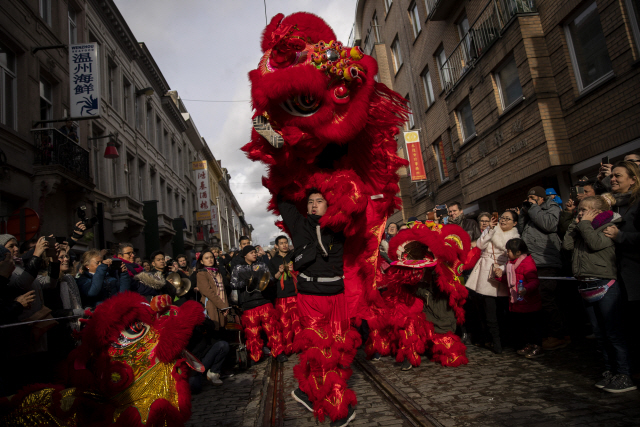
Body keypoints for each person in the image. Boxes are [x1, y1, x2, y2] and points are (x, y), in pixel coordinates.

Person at [280, 189, 360, 425]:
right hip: (310, 298)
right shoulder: (298, 224)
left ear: (329, 205)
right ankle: (338, 409)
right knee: (322, 349)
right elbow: (282, 194)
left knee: (338, 351)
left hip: (337, 297)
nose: (314, 205)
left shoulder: (339, 226)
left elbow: (358, 208)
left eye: (320, 201)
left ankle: (306, 391)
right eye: (310, 202)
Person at [562, 195, 635, 392]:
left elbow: (595, 243)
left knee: (614, 333)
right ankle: (610, 371)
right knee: (600, 334)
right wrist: (574, 225)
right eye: (579, 210)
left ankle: (624, 374)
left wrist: (584, 225)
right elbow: (567, 245)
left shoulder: (609, 226)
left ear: (598, 212)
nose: (580, 213)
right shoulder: (582, 227)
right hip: (586, 284)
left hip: (605, 283)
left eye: (585, 210)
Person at [517, 186, 567, 351]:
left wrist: (533, 209)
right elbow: (521, 231)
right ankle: (547, 333)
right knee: (537, 300)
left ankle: (558, 335)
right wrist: (524, 213)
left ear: (541, 198)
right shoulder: (531, 211)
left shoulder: (550, 207)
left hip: (547, 261)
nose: (530, 201)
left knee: (547, 299)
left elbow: (549, 225)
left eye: (533, 198)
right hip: (532, 261)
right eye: (528, 198)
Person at [603, 161, 640, 374]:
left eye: (618, 176)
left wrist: (621, 236)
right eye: (612, 176)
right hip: (615, 277)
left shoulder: (637, 204)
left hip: (635, 275)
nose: (613, 179)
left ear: (633, 179)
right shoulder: (612, 204)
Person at [466, 210, 520, 353]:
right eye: (502, 217)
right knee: (488, 310)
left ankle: (506, 339)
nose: (503, 220)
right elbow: (480, 244)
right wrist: (489, 228)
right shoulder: (491, 229)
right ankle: (495, 341)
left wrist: (502, 269)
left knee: (503, 310)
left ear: (514, 223)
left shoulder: (515, 236)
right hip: (486, 271)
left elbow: (514, 258)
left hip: (502, 271)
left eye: (507, 219)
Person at [230, 245, 284, 363]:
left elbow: (270, 279)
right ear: (245, 255)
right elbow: (233, 284)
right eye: (251, 253)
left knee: (273, 329)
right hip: (249, 305)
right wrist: (246, 282)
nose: (254, 254)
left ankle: (278, 352)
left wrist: (268, 281)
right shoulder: (238, 268)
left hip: (264, 301)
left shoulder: (262, 265)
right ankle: (255, 356)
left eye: (255, 252)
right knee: (252, 333)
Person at [496, 239, 543, 359]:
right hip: (517, 302)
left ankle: (536, 345)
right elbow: (509, 281)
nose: (507, 253)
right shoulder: (510, 264)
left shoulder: (527, 263)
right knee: (522, 326)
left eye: (510, 251)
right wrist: (499, 277)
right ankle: (527, 344)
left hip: (528, 302)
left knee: (532, 326)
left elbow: (534, 281)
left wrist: (526, 289)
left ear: (518, 252)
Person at [268, 235, 300, 356]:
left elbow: (300, 273)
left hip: (294, 294)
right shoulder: (273, 261)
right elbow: (271, 280)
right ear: (277, 246)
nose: (284, 245)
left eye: (286, 242)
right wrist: (279, 272)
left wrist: (294, 270)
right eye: (281, 243)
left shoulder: (293, 256)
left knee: (297, 323)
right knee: (284, 324)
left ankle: (299, 347)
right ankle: (288, 348)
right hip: (280, 296)